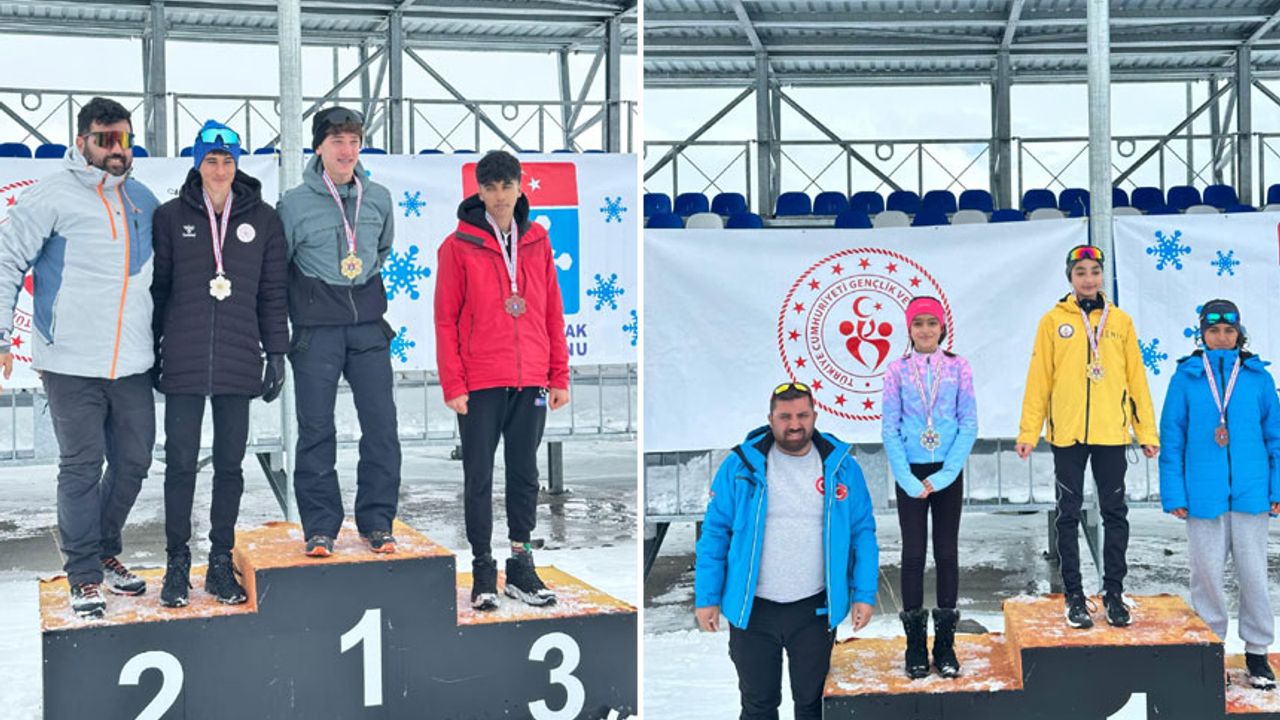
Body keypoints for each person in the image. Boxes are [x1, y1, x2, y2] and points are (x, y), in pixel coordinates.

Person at [0, 97, 161, 617]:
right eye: (105, 139)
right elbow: (6, 260)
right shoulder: (51, 195)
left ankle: (104, 549)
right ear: (81, 142)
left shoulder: (144, 199)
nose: (116, 149)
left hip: (132, 362)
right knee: (81, 465)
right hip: (69, 361)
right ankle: (84, 575)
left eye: (124, 139)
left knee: (134, 461)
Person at [151, 120, 288, 607]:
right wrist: (151, 349)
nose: (220, 169)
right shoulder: (170, 216)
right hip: (184, 358)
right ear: (197, 164)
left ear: (237, 165)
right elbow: (158, 289)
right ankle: (176, 563)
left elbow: (273, 292)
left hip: (238, 357)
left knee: (230, 466)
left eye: (228, 160)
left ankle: (219, 561)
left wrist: (276, 352)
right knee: (180, 465)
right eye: (211, 160)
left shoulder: (264, 220)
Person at [434, 150, 570, 610]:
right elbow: (445, 320)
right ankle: (482, 566)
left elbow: (552, 309)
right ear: (478, 191)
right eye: (489, 188)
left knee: (525, 473)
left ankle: (521, 563)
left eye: (506, 186)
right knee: (478, 475)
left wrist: (558, 373)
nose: (499, 197)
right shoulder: (457, 246)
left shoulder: (538, 241)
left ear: (520, 186)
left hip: (530, 377)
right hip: (481, 380)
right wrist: (453, 383)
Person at [694, 382, 879, 720]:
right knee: (758, 706)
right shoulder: (740, 466)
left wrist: (864, 593)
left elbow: (862, 533)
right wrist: (707, 597)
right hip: (753, 610)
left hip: (814, 609)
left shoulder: (841, 467)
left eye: (802, 415)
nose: (795, 424)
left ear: (815, 416)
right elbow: (715, 535)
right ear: (770, 419)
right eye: (785, 417)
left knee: (812, 705)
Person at [277, 106, 400, 557]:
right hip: (317, 331)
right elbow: (282, 264)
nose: (347, 151)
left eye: (354, 142)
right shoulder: (293, 204)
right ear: (319, 148)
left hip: (367, 327)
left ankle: (378, 521)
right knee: (315, 428)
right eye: (337, 142)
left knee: (382, 426)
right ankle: (320, 527)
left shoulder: (379, 198)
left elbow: (381, 250)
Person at [1015, 244, 1158, 629]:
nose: (1089, 279)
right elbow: (1039, 379)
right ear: (1070, 278)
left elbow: (1137, 380)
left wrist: (1145, 431)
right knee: (1068, 512)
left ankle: (1113, 592)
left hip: (1111, 432)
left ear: (1102, 275)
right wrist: (1029, 430)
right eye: (1081, 272)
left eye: (1094, 271)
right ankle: (1074, 595)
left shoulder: (1121, 322)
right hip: (1068, 434)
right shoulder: (1052, 321)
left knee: (1115, 512)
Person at [1159, 300, 1279, 689]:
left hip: (1251, 494)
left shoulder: (1258, 378)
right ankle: (1210, 650)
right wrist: (1174, 492)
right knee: (1206, 575)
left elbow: (1275, 438)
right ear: (1203, 334)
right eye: (1214, 331)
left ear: (1239, 334)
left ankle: (1257, 652)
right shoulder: (1187, 377)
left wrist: (1276, 487)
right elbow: (1172, 437)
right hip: (1203, 496)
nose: (1222, 337)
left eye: (1229, 331)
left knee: (1254, 574)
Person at [881, 296, 977, 678]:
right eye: (918, 323)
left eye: (931, 323)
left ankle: (946, 643)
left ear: (942, 327)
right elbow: (890, 427)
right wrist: (906, 479)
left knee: (947, 552)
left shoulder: (958, 367)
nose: (925, 330)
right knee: (914, 553)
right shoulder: (896, 370)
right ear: (909, 329)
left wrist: (945, 474)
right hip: (910, 470)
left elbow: (968, 423)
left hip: (947, 470)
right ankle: (915, 644)